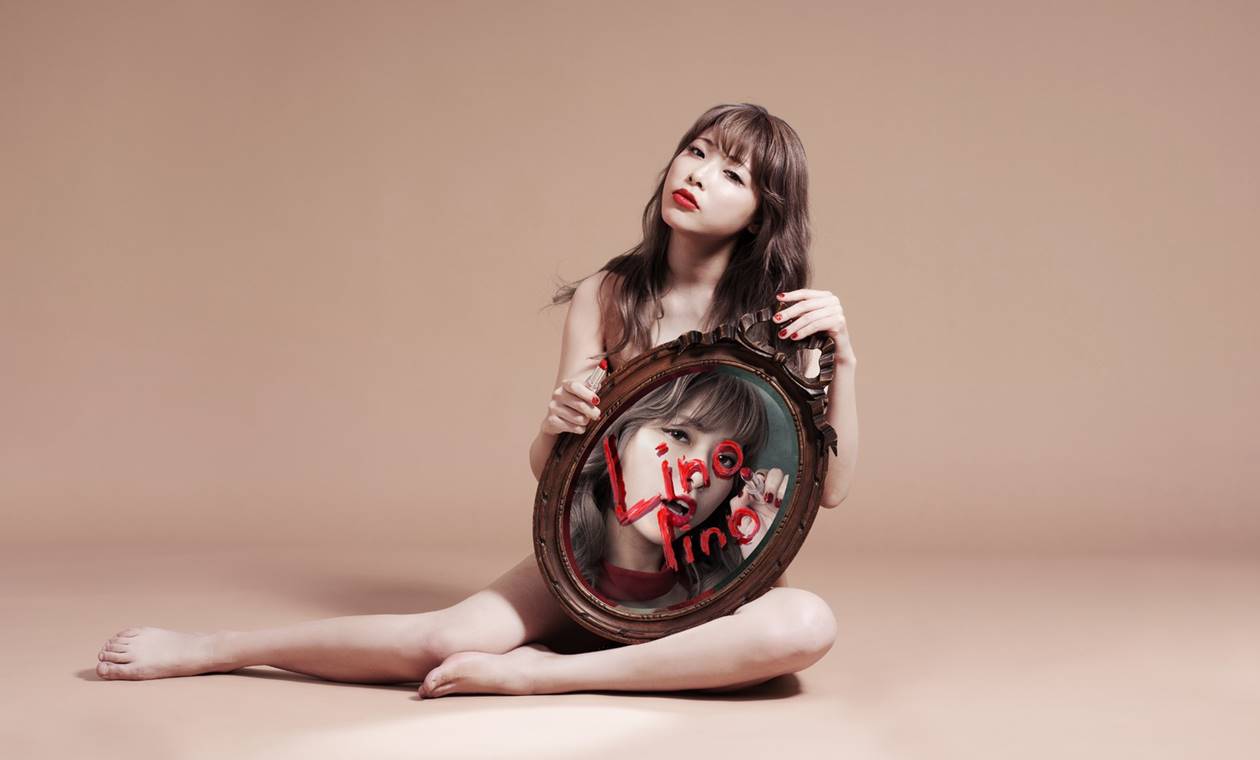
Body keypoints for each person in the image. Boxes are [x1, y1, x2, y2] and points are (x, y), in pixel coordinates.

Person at [94, 102, 860, 698]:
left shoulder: (780, 321)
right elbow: (550, 473)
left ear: (761, 214)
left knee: (804, 625)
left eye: (733, 173)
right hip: (596, 555)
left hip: (714, 575)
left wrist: (844, 361)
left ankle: (551, 676)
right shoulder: (609, 295)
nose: (698, 174)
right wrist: (556, 425)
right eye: (696, 151)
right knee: (440, 639)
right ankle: (214, 648)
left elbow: (826, 491)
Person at [568, 369, 778, 608]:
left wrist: (762, 552)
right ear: (619, 434)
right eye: (679, 435)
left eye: (726, 460)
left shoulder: (720, 594)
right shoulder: (557, 571)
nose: (699, 477)